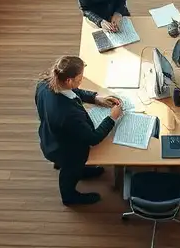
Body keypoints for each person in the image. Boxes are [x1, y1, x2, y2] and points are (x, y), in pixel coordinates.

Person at [35, 55, 124, 205]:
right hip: (66, 150)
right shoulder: (67, 114)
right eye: (80, 78)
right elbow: (93, 138)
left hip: (49, 136)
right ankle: (69, 197)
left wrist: (95, 98)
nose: (81, 81)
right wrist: (112, 118)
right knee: (70, 172)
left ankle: (78, 169)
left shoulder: (46, 83)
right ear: (69, 80)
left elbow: (74, 92)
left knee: (73, 167)